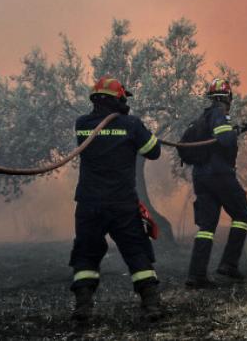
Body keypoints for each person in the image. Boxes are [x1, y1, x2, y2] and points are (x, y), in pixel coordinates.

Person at [69, 76, 163, 322]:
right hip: (122, 203)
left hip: (89, 204)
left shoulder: (81, 125)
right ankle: (152, 304)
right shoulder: (131, 125)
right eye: (123, 98)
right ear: (118, 98)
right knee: (135, 250)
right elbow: (154, 152)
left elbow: (102, 140)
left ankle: (83, 306)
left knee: (86, 253)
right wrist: (140, 129)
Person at [179, 78, 247, 289]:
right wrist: (234, 132)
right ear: (228, 98)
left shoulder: (202, 118)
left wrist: (238, 129)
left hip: (201, 177)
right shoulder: (218, 113)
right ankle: (229, 265)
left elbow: (221, 133)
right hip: (219, 174)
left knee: (206, 227)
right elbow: (225, 139)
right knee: (241, 214)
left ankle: (196, 275)